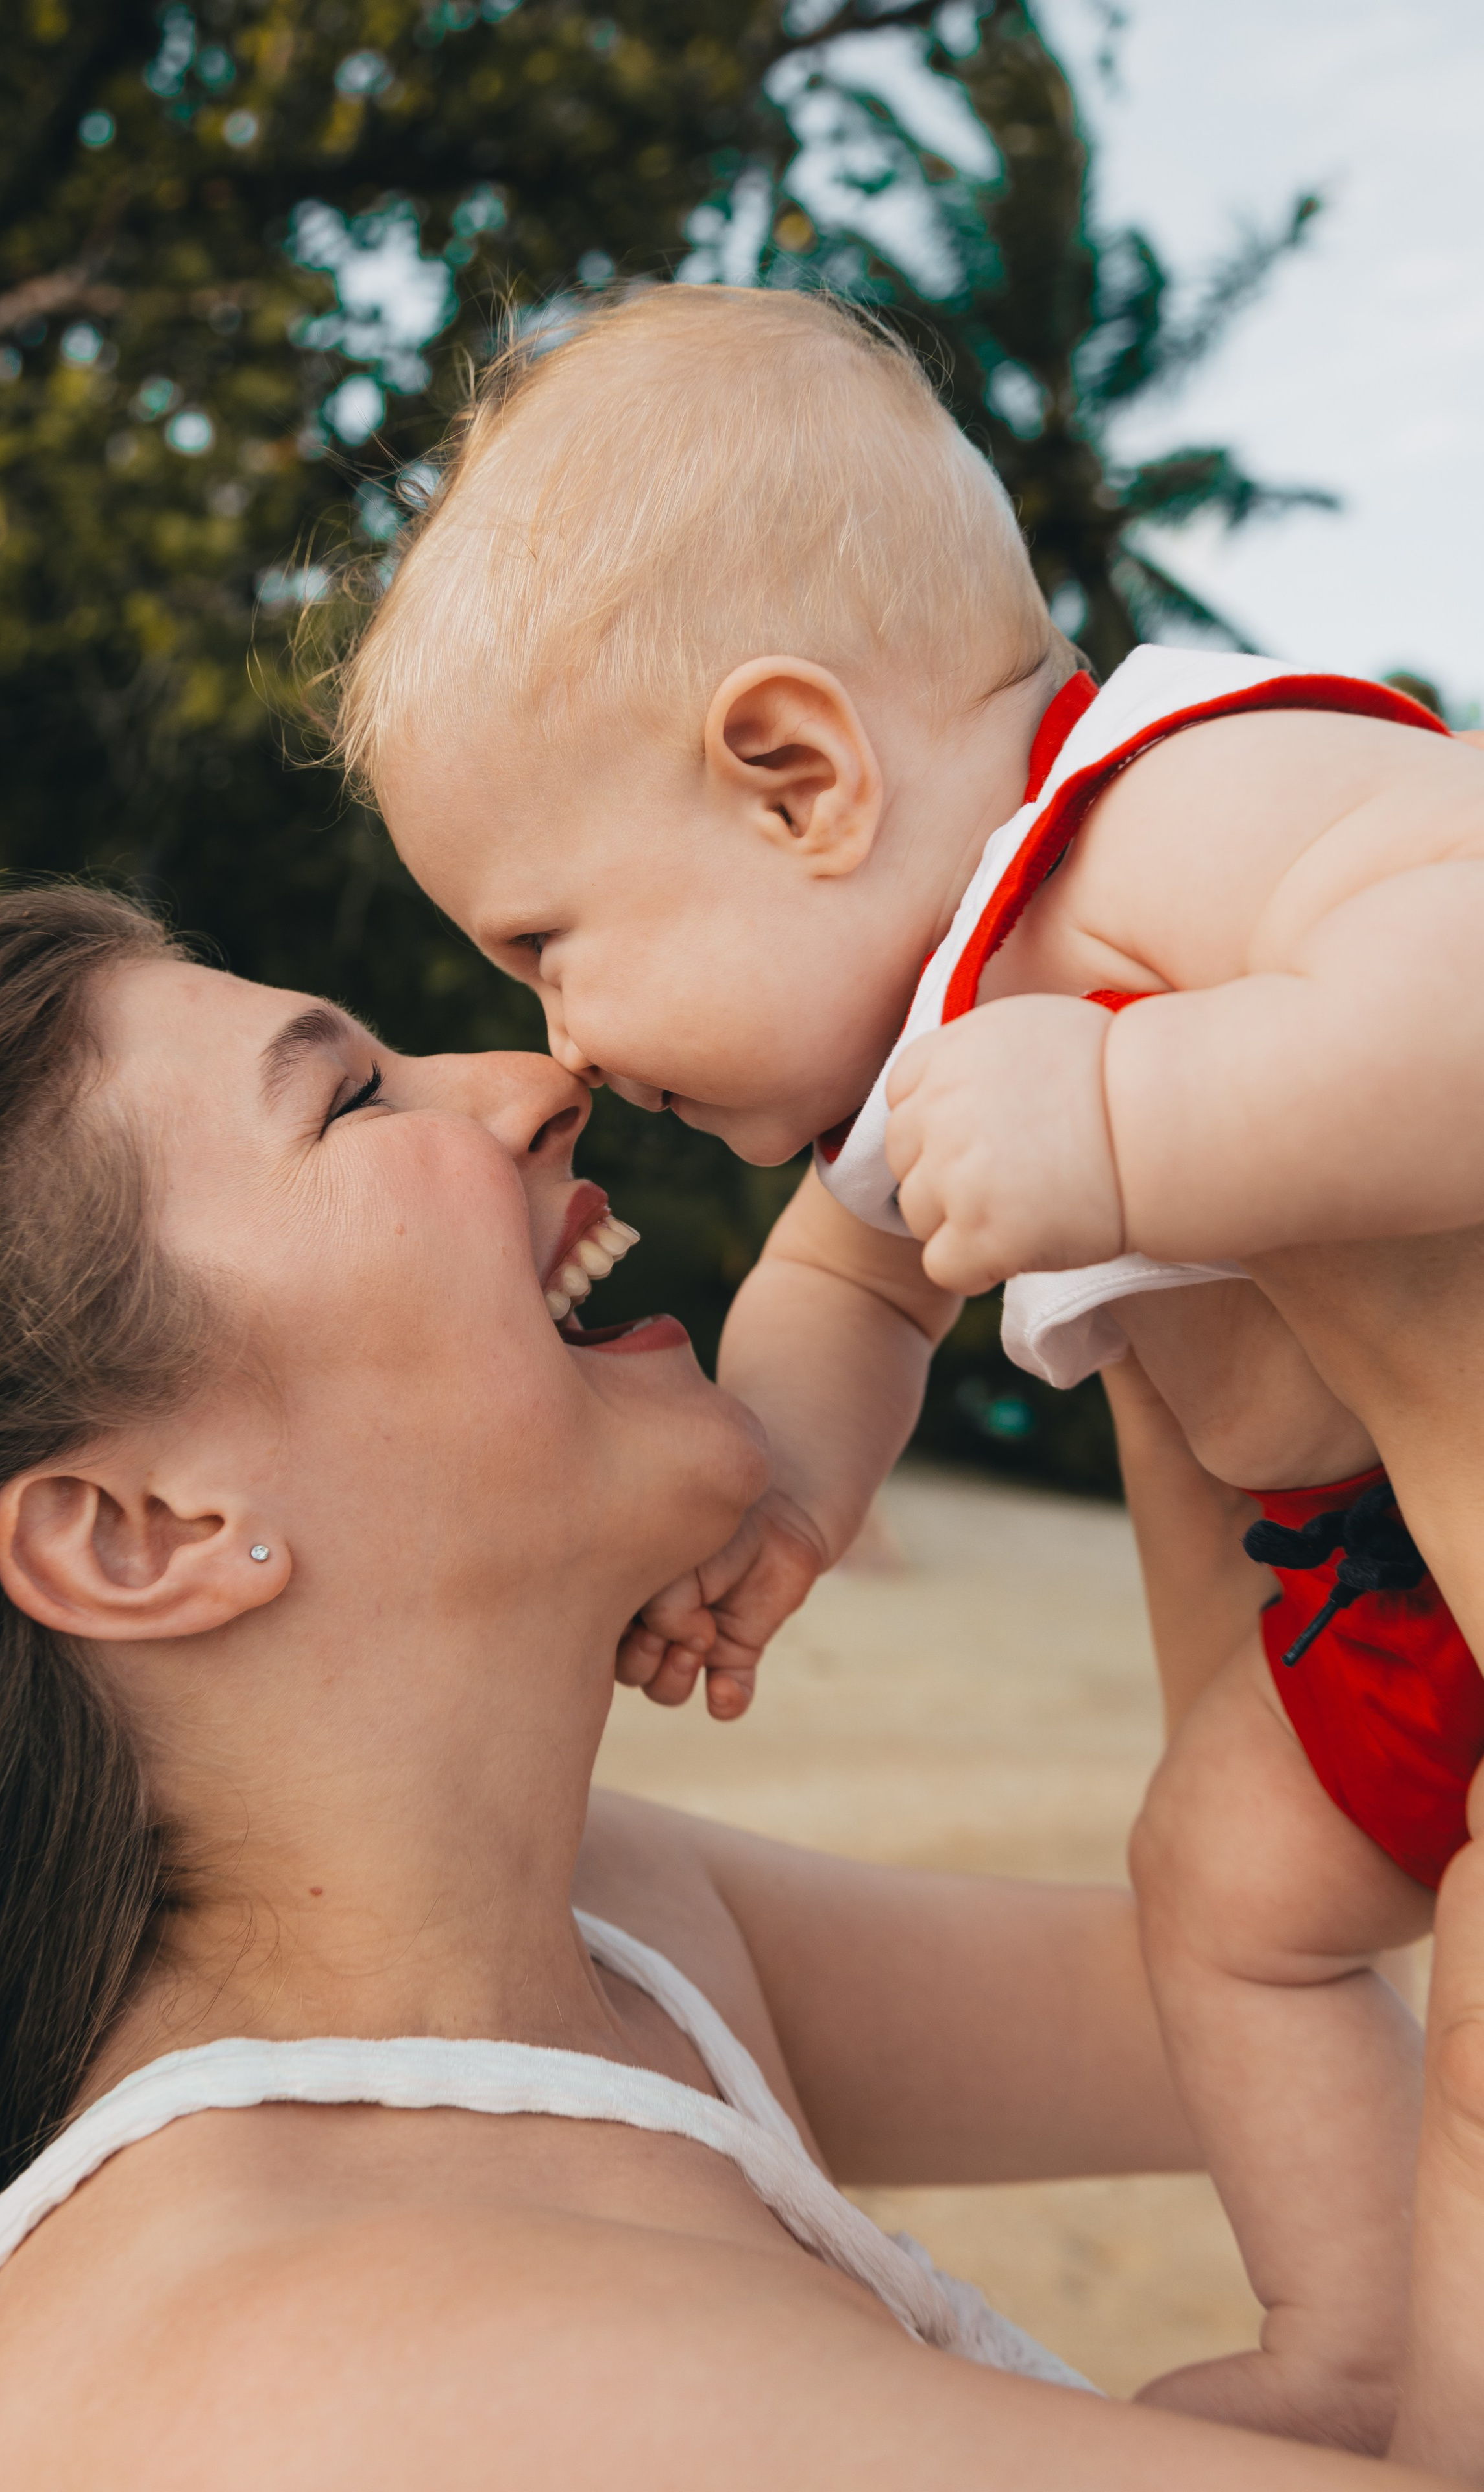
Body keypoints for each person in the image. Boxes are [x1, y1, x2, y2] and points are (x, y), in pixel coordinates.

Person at [0, 885, 1470, 2492]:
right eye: (346, 1100)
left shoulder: (605, 1935)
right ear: (143, 1534)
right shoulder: (348, 2385)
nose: (548, 1080)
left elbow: (1263, 1959)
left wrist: (1191, 1291)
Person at [335, 280, 1484, 2447]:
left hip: (1426, 1545)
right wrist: (777, 1487)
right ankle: (1352, 2332)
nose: (564, 1047)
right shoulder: (929, 1042)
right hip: (1381, 1591)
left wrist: (1142, 1123)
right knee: (1218, 1897)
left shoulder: (1172, 810)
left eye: (548, 945)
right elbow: (849, 1299)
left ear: (794, 778)